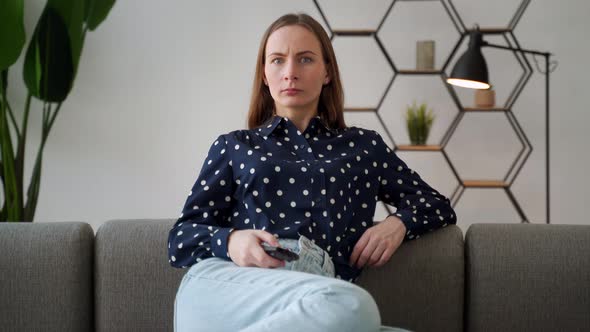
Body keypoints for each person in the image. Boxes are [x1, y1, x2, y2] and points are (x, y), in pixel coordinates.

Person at [168, 12, 456, 332]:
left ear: (327, 72)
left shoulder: (363, 148)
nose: (290, 73)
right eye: (277, 60)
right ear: (264, 74)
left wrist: (397, 223)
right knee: (353, 305)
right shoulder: (233, 146)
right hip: (229, 287)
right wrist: (231, 240)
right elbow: (181, 239)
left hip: (320, 302)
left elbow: (436, 203)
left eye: (305, 59)